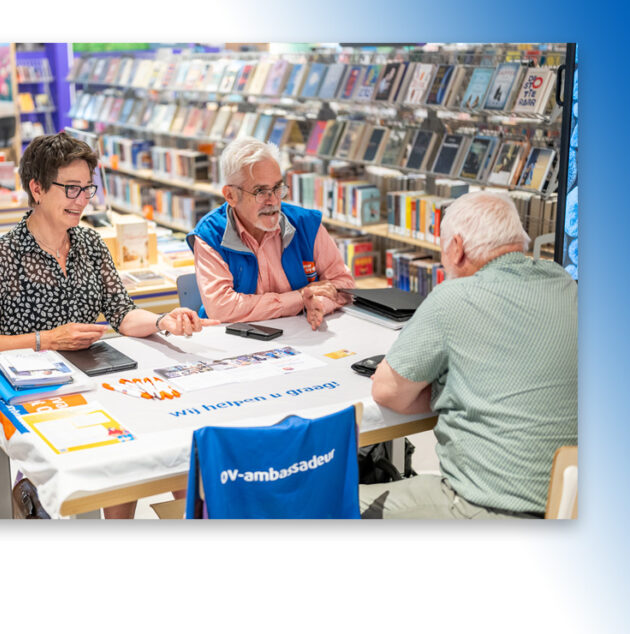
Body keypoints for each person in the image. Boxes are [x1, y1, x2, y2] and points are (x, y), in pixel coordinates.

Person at [0, 131, 219, 518]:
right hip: (41, 396)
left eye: (87, 189)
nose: (81, 201)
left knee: (171, 449)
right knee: (120, 459)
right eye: (70, 189)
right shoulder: (4, 255)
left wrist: (163, 320)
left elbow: (123, 314)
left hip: (95, 383)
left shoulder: (90, 245)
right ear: (37, 189)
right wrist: (45, 340)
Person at [362, 191, 577, 519]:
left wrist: (447, 389)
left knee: (329, 501)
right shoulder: (566, 285)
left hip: (486, 507)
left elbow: (388, 392)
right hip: (572, 506)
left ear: (457, 247)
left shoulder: (452, 299)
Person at [187, 137, 355, 330]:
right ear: (231, 196)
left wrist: (318, 304)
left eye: (277, 188)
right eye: (260, 191)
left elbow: (344, 284)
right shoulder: (210, 235)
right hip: (232, 341)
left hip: (302, 335)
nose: (273, 201)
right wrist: (299, 297)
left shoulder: (306, 224)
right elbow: (222, 308)